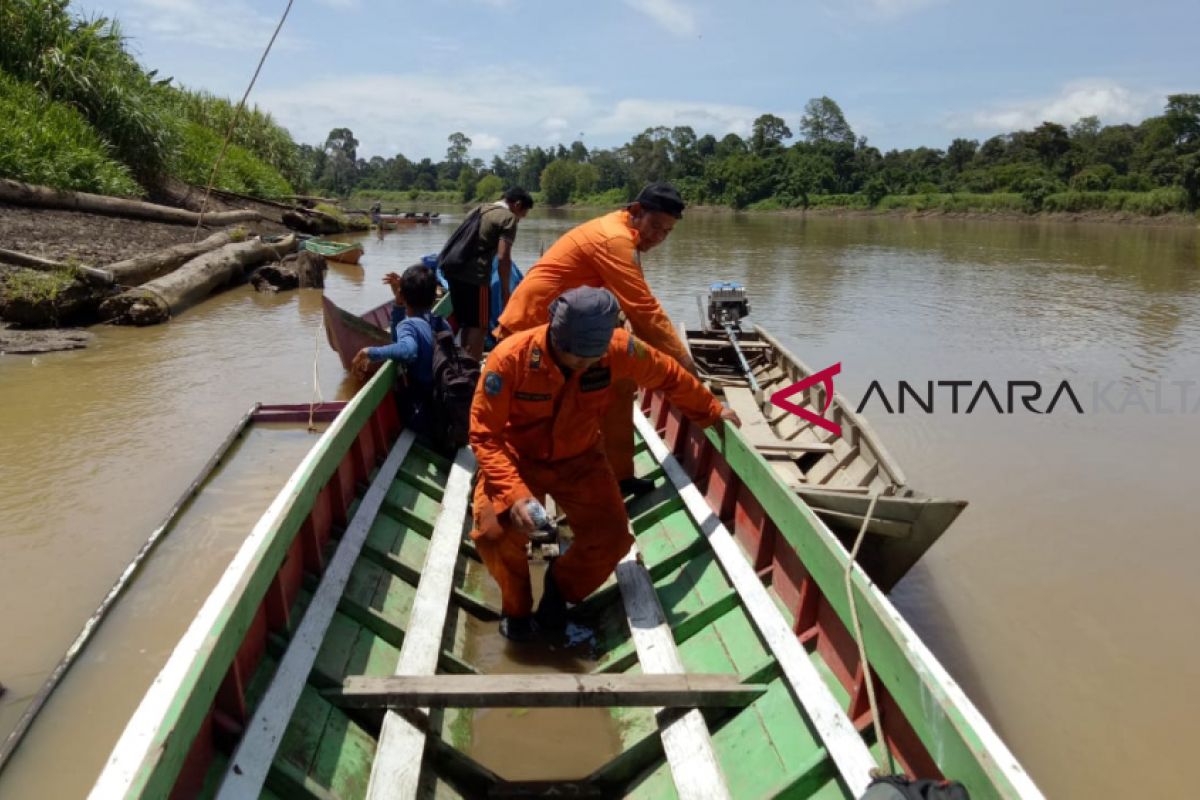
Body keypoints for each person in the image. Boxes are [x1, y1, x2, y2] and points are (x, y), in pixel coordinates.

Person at [469, 286, 740, 641]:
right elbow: (484, 434)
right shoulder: (510, 359)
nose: (582, 365)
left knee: (611, 540)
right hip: (518, 458)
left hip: (580, 457)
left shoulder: (618, 349)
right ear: (554, 332)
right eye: (574, 356)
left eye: (590, 360)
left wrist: (711, 410)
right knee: (494, 533)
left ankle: (559, 590)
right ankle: (516, 608)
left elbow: (668, 376)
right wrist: (515, 495)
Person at [493, 182, 694, 498]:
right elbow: (644, 310)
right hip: (530, 328)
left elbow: (627, 304)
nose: (659, 237)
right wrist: (686, 369)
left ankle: (619, 476)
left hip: (566, 332)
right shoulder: (614, 239)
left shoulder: (621, 236)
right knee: (535, 415)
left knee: (620, 383)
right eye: (656, 226)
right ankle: (518, 500)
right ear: (636, 212)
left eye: (667, 232)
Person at [351, 263, 449, 437]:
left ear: (403, 295)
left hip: (423, 413)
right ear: (434, 296)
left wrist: (370, 352)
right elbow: (399, 339)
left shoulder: (409, 325)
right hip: (443, 403)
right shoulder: (440, 322)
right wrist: (398, 304)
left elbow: (407, 350)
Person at [442, 186, 534, 361]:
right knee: (481, 326)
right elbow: (503, 258)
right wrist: (506, 290)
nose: (520, 219)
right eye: (523, 214)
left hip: (453, 272)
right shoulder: (508, 218)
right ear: (517, 204)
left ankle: (463, 367)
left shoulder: (478, 209)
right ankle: (471, 373)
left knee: (466, 324)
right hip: (476, 278)